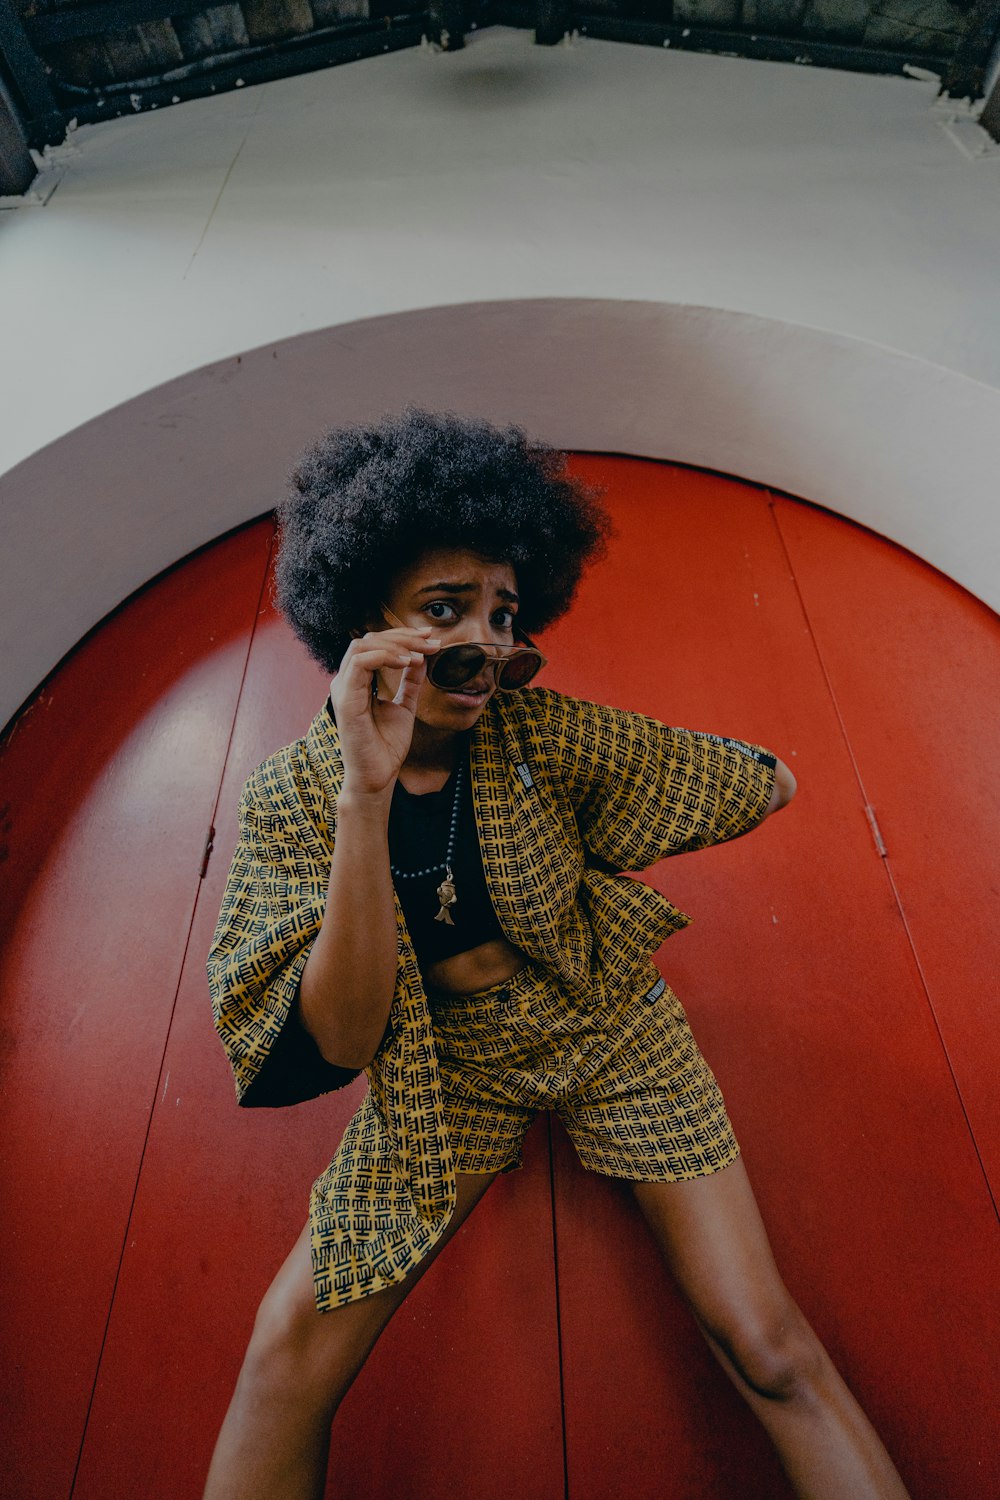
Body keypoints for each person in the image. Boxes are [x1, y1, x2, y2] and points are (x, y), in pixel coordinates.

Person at [204, 408, 911, 1500]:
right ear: (362, 621)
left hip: (611, 1028)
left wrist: (678, 791)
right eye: (447, 609)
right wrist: (365, 790)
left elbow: (764, 779)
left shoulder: (543, 735)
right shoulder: (296, 800)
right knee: (282, 1357)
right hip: (451, 1071)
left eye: (504, 613)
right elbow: (340, 1040)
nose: (487, 642)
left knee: (766, 1345)